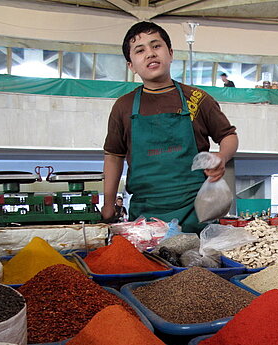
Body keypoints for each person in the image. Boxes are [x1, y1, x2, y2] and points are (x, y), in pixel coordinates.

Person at [101, 22, 238, 233]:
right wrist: (108, 206)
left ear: (171, 53)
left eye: (156, 46)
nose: (150, 54)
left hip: (196, 214)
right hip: (145, 221)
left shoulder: (197, 99)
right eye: (140, 50)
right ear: (131, 65)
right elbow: (113, 156)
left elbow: (228, 136)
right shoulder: (124, 107)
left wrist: (222, 156)